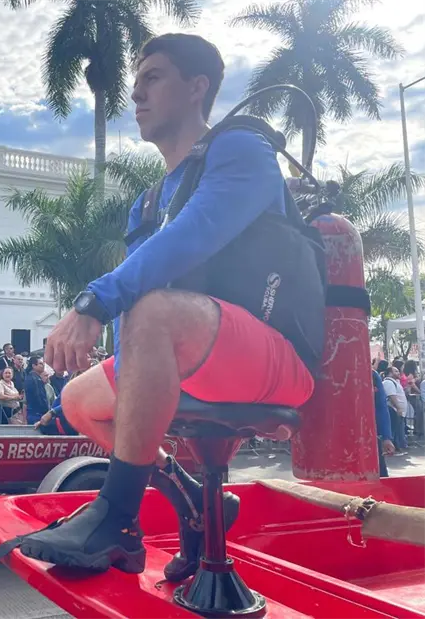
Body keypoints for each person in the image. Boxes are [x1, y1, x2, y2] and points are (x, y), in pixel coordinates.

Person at [19, 33, 324, 580]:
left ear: (197, 87)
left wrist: (93, 300)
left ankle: (116, 517)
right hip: (199, 348)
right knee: (79, 400)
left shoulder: (241, 150)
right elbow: (148, 277)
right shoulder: (150, 200)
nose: (136, 96)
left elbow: (193, 236)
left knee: (151, 309)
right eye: (134, 85)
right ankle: (194, 505)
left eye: (152, 78)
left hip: (276, 354)